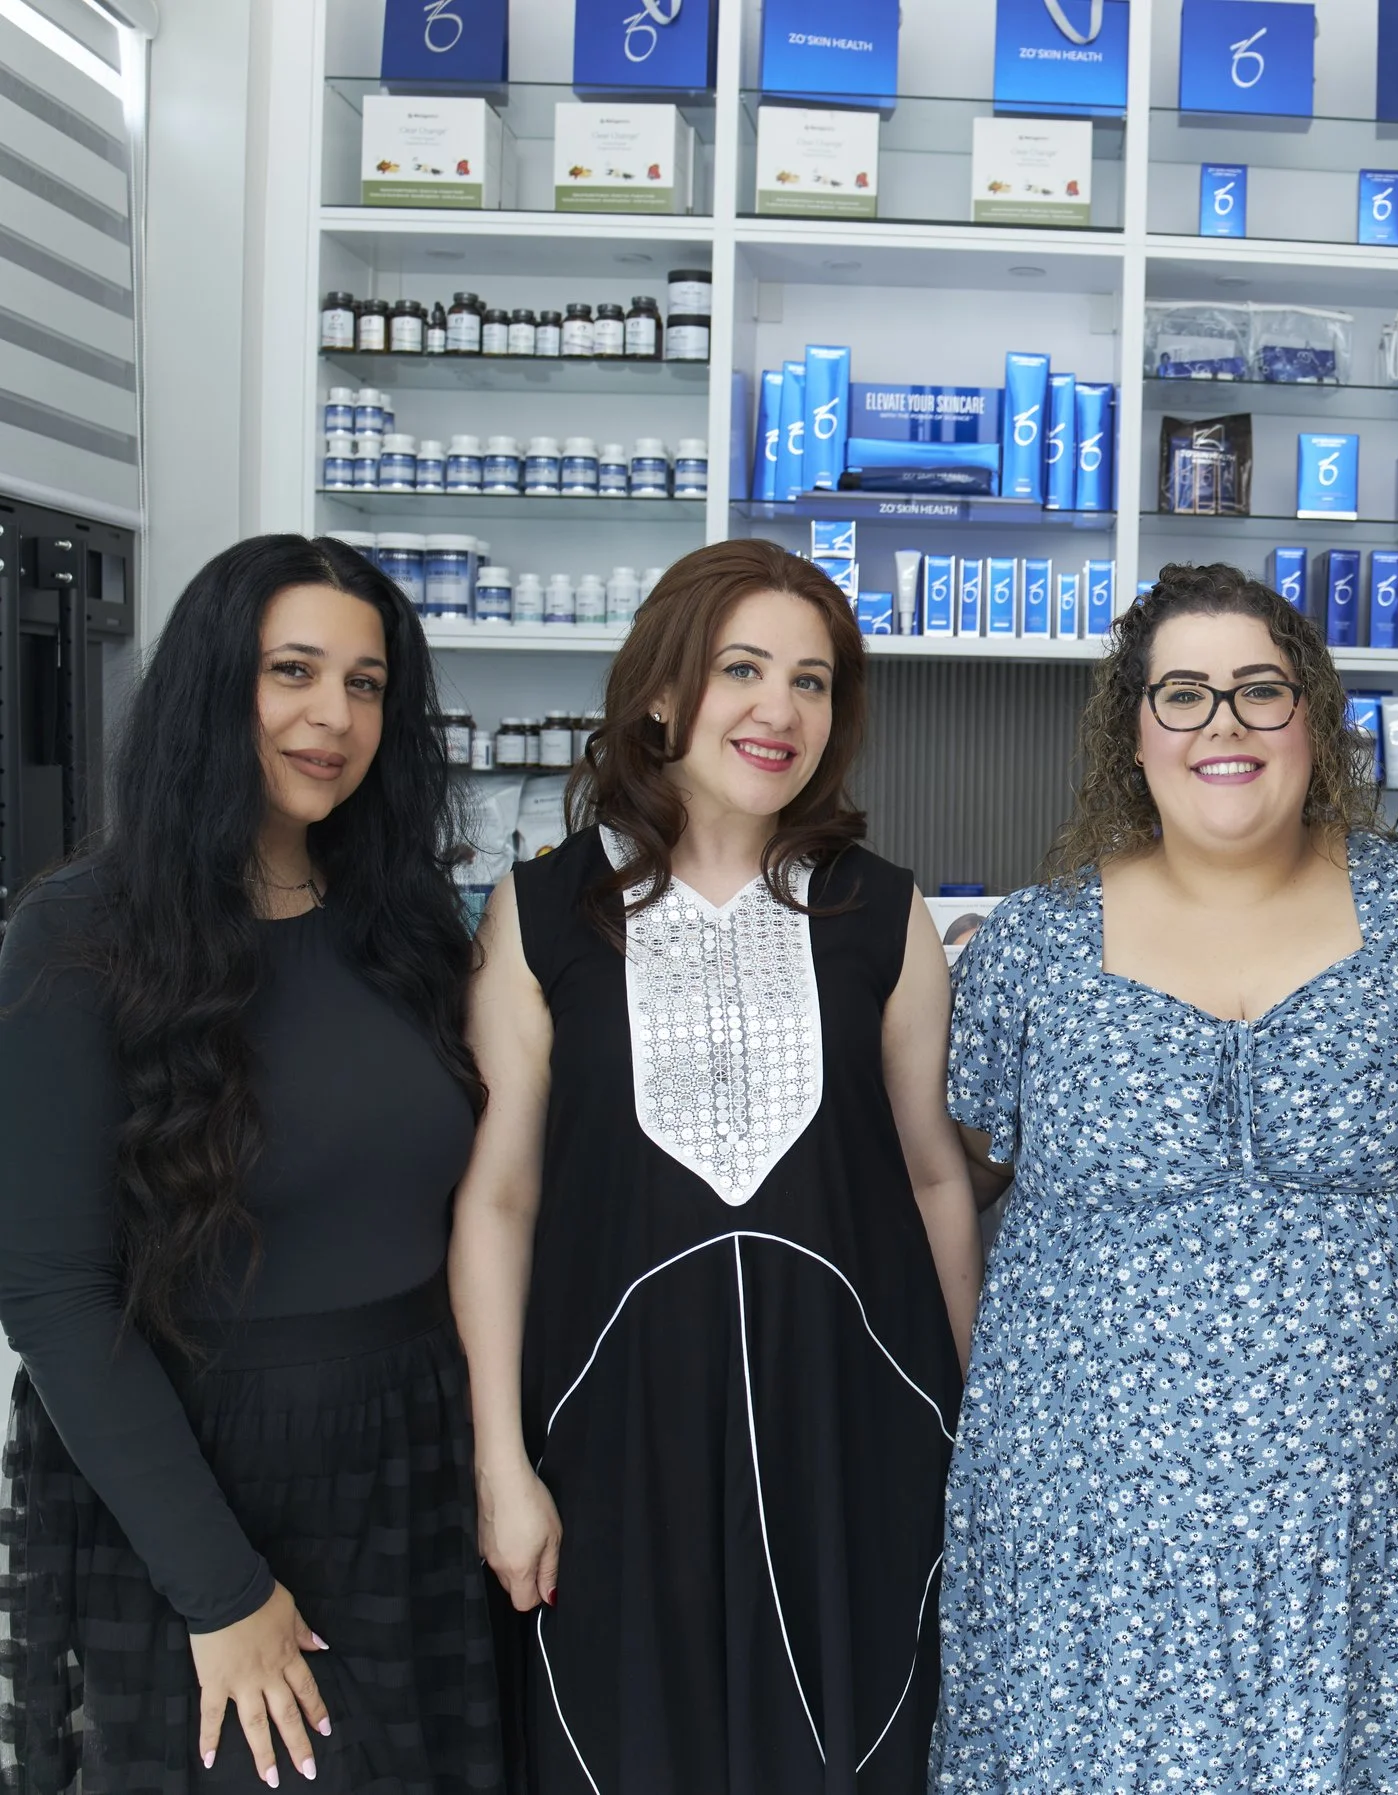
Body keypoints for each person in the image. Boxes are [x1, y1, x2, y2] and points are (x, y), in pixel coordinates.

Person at [931, 562, 1398, 1792]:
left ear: (1314, 716)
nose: (1222, 723)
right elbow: (956, 1180)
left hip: (1384, 1537)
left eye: (1261, 691)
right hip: (1094, 1540)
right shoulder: (1035, 947)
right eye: (1184, 694)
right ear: (1133, 733)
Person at [448, 540, 978, 1795]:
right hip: (608, 1439)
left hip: (854, 1432)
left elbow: (934, 1179)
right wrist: (499, 1464)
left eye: (812, 680)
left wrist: (974, 1429)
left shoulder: (882, 908)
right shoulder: (535, 913)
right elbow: (501, 1196)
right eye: (742, 668)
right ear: (660, 694)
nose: (779, 709)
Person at [0, 534, 501, 1790]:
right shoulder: (77, 936)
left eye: (367, 682)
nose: (332, 715)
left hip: (408, 1463)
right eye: (293, 670)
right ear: (216, 684)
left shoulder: (408, 928)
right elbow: (55, 1299)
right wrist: (222, 1593)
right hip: (201, 1488)